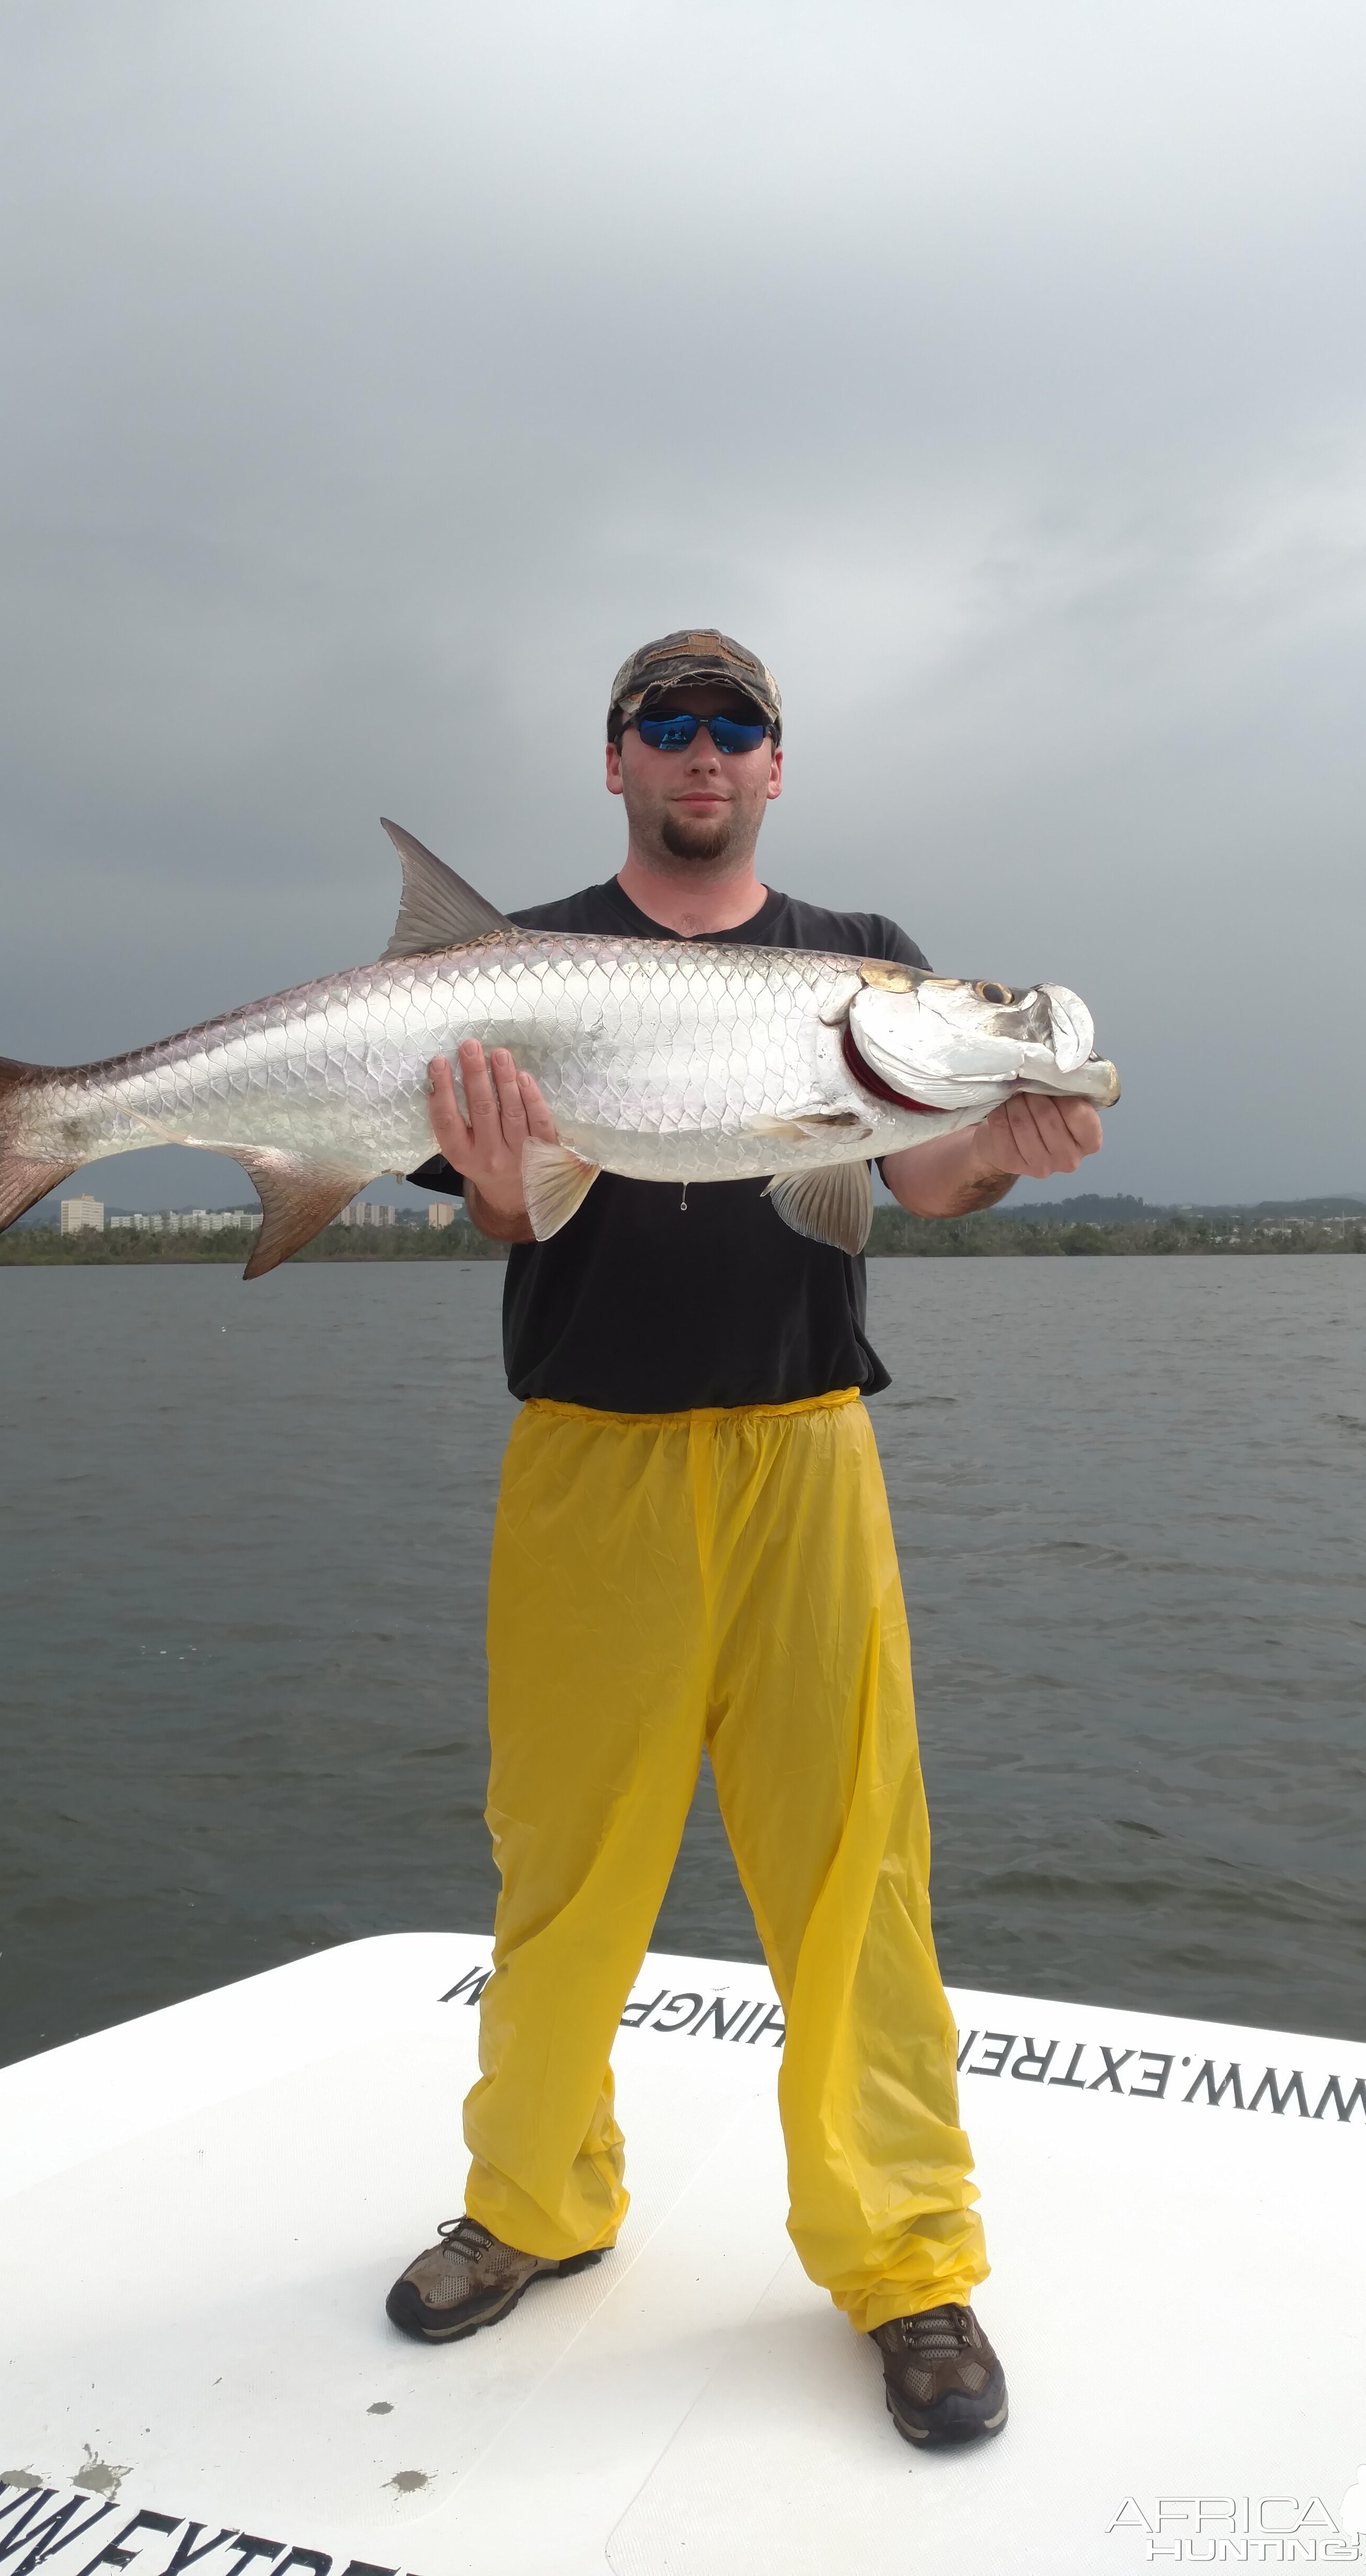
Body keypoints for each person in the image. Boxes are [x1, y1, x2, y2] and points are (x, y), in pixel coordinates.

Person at [385, 627, 1102, 2447]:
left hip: (805, 1455)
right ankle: (534, 2203)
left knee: (858, 1866)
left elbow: (917, 1178)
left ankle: (909, 2263)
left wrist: (1004, 1133)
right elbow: (503, 1216)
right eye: (669, 724)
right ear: (616, 758)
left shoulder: (860, 965)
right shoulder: (507, 968)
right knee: (563, 1865)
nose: (704, 752)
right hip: (585, 1460)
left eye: (738, 728)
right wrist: (491, 1176)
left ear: (777, 767)